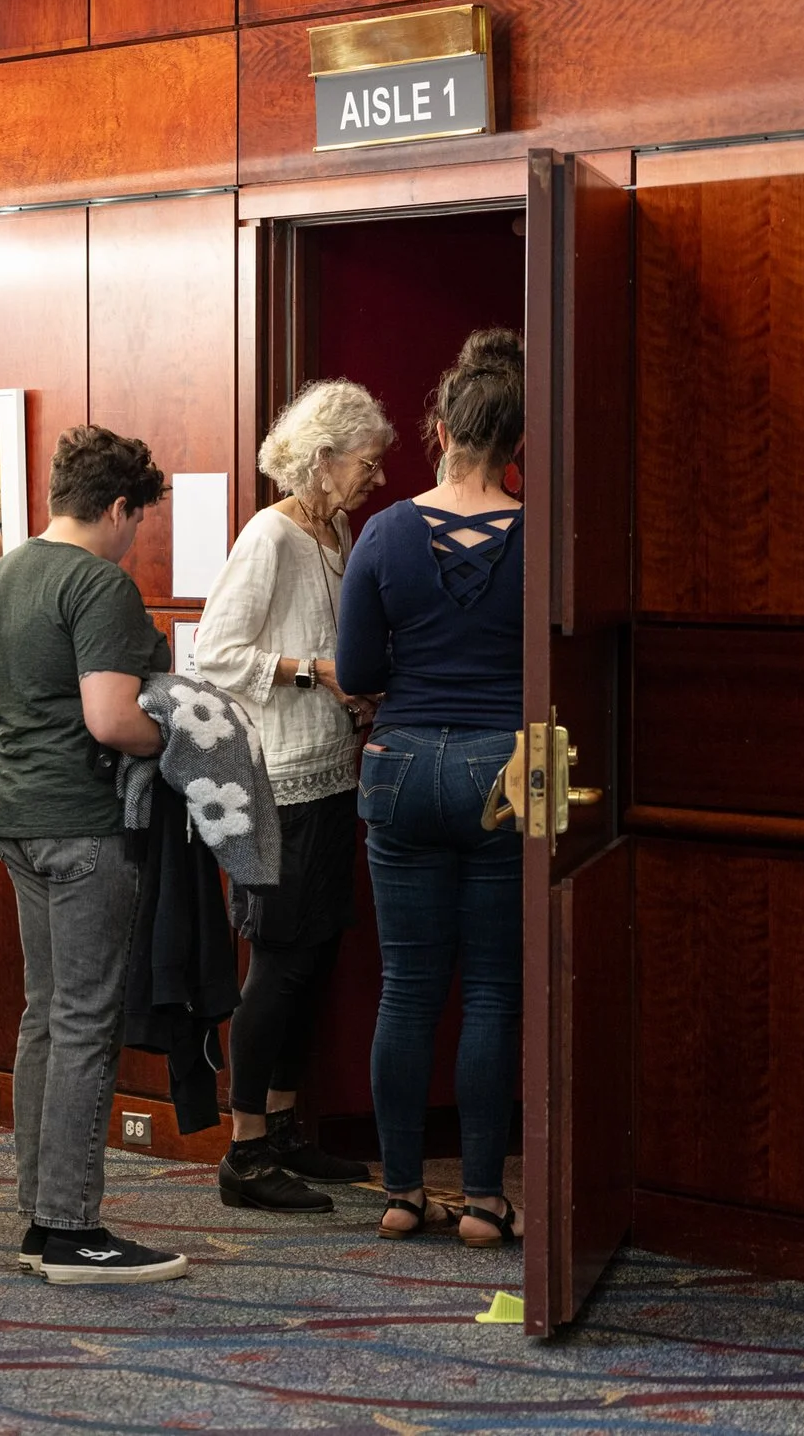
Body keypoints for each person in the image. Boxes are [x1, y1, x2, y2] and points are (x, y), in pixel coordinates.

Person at [0, 424, 183, 1284]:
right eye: (139, 520)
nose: (137, 537)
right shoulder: (100, 584)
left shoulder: (2, 575)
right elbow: (111, 720)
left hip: (16, 816)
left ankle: (38, 1215)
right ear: (121, 506)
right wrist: (172, 729)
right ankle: (69, 1227)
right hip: (86, 822)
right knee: (87, 1022)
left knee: (45, 1014)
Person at [336, 328, 527, 1250]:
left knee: (407, 988)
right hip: (504, 765)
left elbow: (360, 666)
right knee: (492, 989)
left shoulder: (383, 533)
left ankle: (404, 1192)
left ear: (440, 425)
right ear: (517, 439)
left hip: (402, 763)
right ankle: (486, 1200)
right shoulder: (540, 535)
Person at [194, 380, 394, 1213]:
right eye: (366, 462)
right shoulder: (269, 535)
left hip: (329, 774)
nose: (376, 477)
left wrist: (352, 690)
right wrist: (316, 671)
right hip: (274, 782)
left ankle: (281, 1129)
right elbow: (214, 651)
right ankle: (242, 1152)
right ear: (322, 460)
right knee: (276, 962)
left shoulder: (335, 529)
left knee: (312, 955)